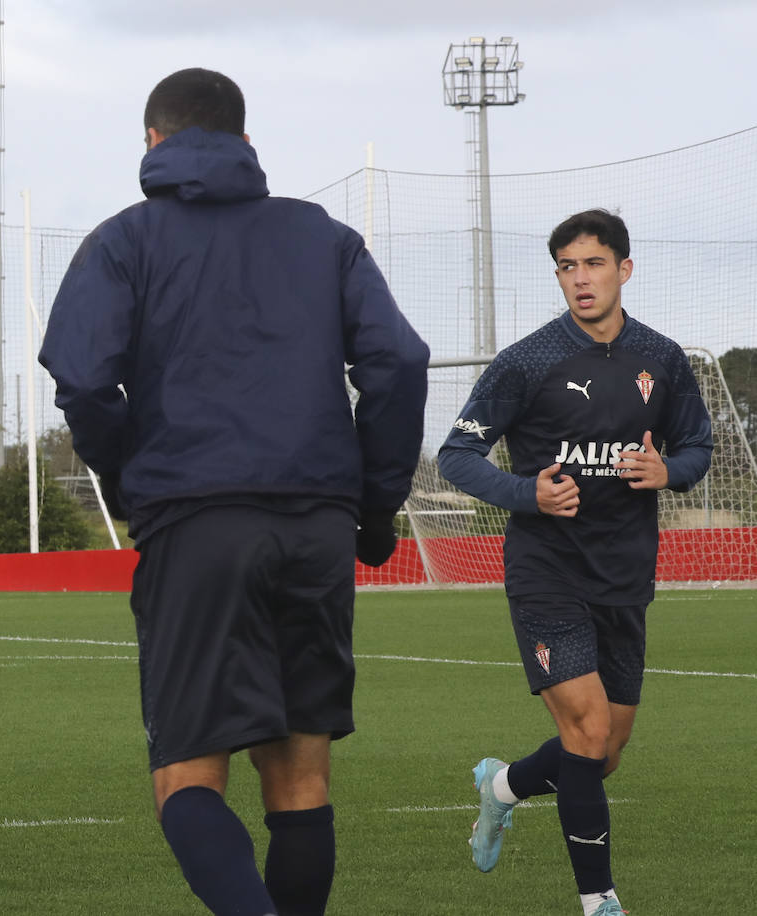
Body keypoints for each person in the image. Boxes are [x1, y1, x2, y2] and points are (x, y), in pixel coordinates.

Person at [38, 68, 429, 916]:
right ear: (248, 144)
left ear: (151, 143)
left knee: (187, 775)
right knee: (299, 777)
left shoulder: (125, 240)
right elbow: (399, 363)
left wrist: (128, 476)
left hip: (198, 522)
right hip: (317, 522)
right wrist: (373, 502)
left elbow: (81, 377)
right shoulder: (321, 236)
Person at [438, 209, 713, 916]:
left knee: (603, 752)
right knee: (587, 733)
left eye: (593, 264)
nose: (580, 279)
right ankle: (600, 902)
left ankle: (501, 788)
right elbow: (457, 454)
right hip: (547, 573)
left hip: (624, 576)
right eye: (567, 266)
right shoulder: (527, 361)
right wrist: (522, 493)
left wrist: (668, 472)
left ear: (624, 268)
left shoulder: (663, 357)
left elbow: (697, 448)